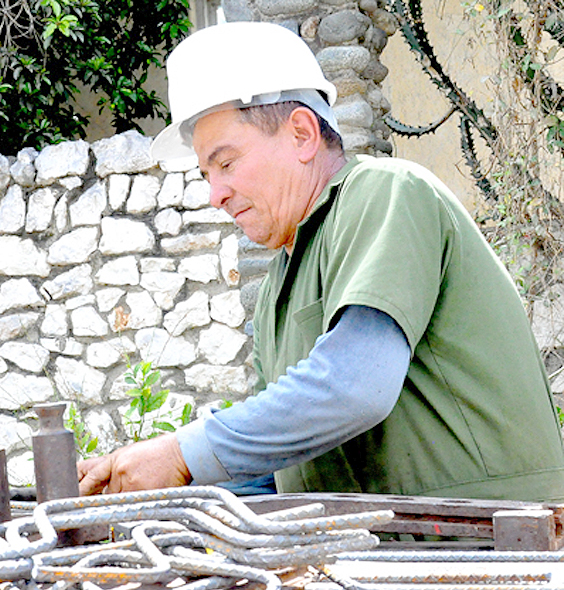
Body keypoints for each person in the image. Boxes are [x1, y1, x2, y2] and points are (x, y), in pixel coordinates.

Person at [77, 21, 564, 502]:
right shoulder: (276, 288)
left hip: (491, 552)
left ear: (303, 134)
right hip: (379, 560)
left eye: (225, 163)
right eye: (207, 173)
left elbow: (357, 385)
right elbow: (280, 468)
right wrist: (149, 477)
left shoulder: (387, 193)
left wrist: (183, 452)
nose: (215, 195)